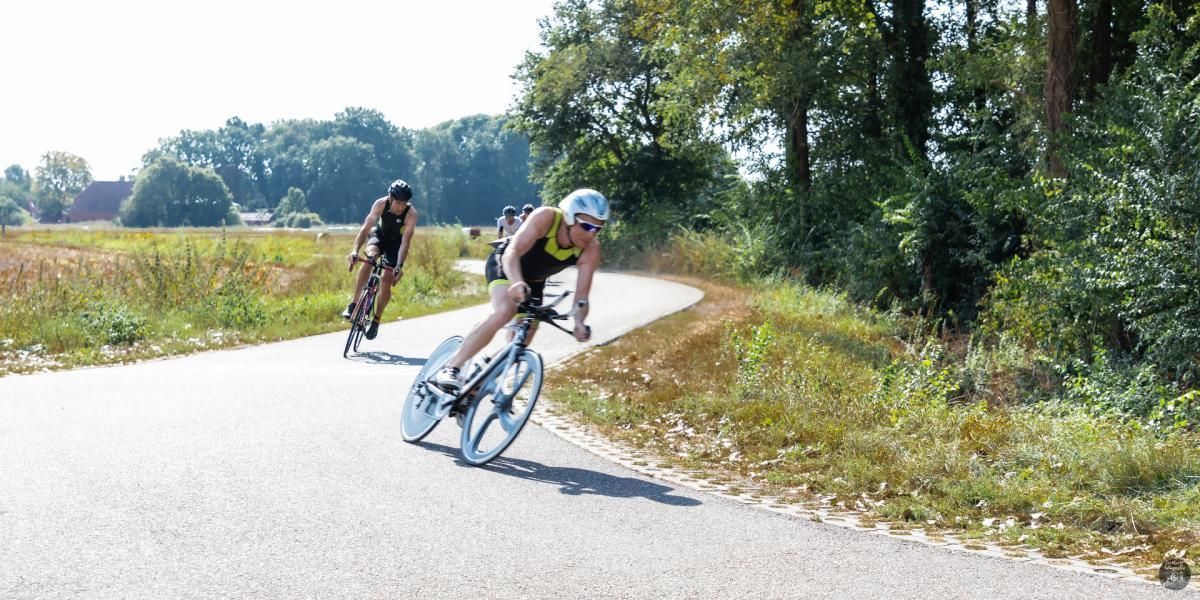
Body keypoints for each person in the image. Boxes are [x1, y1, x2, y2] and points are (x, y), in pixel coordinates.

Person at [433, 189, 610, 391]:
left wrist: (579, 321)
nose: (591, 234)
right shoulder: (547, 217)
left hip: (534, 282)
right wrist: (516, 282)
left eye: (598, 229)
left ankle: (477, 384)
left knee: (522, 339)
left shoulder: (591, 250)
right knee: (505, 310)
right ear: (569, 216)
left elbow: (581, 298)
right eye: (586, 225)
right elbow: (513, 252)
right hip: (507, 263)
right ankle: (451, 367)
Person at [341, 179, 419, 340]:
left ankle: (376, 320)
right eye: (398, 203)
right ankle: (354, 304)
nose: (400, 207)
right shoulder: (380, 204)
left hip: (396, 244)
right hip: (379, 236)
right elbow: (365, 228)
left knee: (387, 278)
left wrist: (399, 265)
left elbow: (405, 243)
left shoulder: (411, 214)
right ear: (390, 198)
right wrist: (355, 251)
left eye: (404, 204)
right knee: (370, 258)